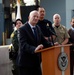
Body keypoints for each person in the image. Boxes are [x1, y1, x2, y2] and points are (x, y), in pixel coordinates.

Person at [18, 10, 52, 75]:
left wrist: (52, 45)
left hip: (36, 62)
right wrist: (34, 49)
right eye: (34, 16)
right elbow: (23, 44)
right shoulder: (22, 29)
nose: (36, 18)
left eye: (37, 17)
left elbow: (43, 40)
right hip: (26, 63)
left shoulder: (37, 28)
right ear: (29, 17)